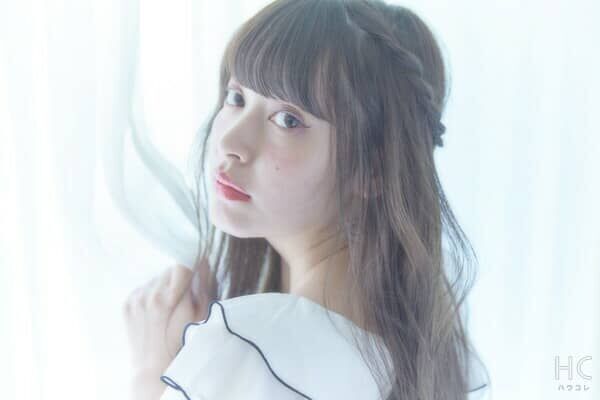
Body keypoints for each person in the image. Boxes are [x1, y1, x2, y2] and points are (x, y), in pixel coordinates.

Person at [123, 0, 491, 399]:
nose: (230, 142)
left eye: (288, 120)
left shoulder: (252, 353)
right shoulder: (434, 341)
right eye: (236, 97)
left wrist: (152, 371)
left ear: (372, 169)